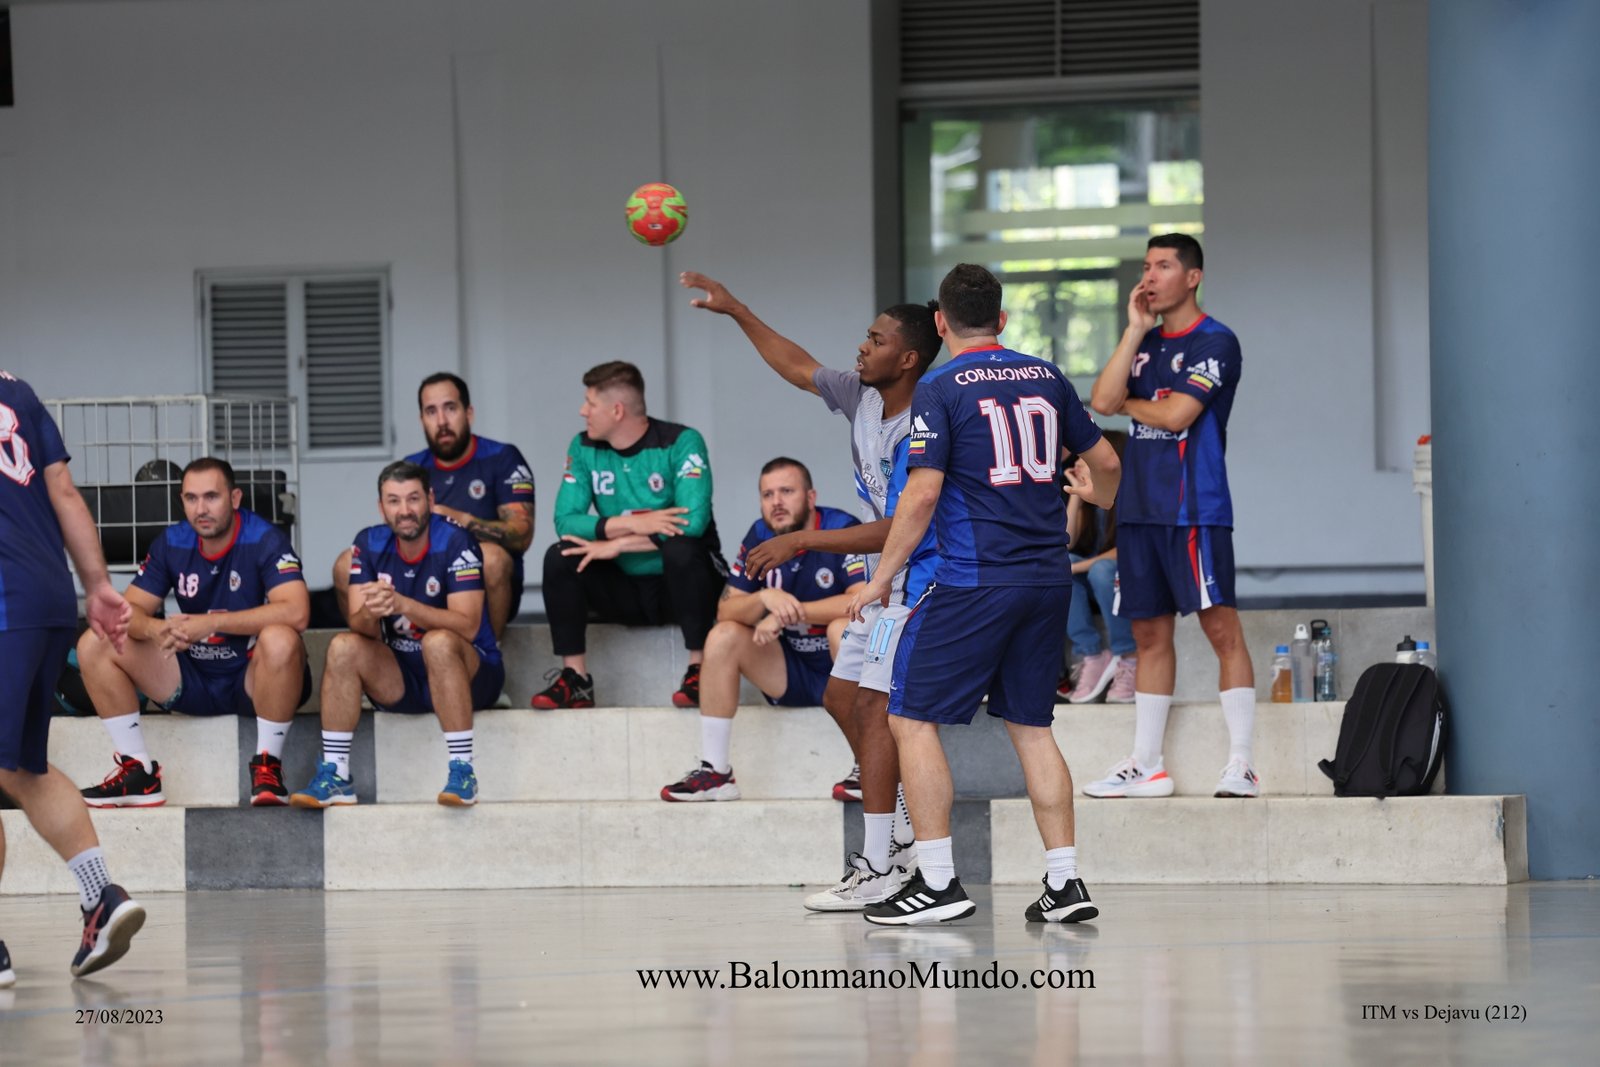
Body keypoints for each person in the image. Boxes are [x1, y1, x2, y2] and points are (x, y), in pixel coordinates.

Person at [846, 263, 1121, 926]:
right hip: (1047, 579)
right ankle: (1065, 882)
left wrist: (881, 577)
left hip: (973, 578)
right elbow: (1108, 462)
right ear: (1001, 319)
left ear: (940, 322)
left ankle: (938, 881)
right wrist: (1100, 498)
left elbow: (921, 494)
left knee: (911, 718)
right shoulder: (1047, 376)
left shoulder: (938, 388)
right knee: (1032, 727)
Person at [680, 270, 941, 911]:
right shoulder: (864, 395)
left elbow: (903, 523)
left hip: (918, 581)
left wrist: (801, 541)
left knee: (874, 712)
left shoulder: (929, 419)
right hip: (884, 582)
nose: (862, 347)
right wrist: (738, 308)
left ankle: (884, 862)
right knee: (841, 697)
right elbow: (798, 368)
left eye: (876, 339)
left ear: (908, 358)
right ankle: (896, 833)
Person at [1081, 234, 1257, 799]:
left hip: (1195, 509)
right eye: (1146, 266)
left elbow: (1178, 414)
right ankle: (1146, 763)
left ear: (1193, 276)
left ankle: (1242, 764)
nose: (1149, 277)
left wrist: (1129, 405)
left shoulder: (1216, 341)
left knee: (1221, 629)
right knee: (1149, 633)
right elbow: (1100, 399)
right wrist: (1134, 330)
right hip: (1139, 511)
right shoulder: (1145, 342)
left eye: (1162, 266)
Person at [0, 370, 144, 979]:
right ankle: (99, 896)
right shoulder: (15, 389)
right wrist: (98, 586)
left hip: (4, 604)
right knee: (22, 768)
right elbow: (63, 491)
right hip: (46, 597)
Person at [77, 457, 312, 807]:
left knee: (282, 638)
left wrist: (212, 622)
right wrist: (154, 628)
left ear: (234, 498)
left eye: (211, 497)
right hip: (192, 677)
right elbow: (128, 612)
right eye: (191, 498)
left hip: (253, 681)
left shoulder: (264, 538)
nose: (201, 509)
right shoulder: (172, 541)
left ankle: (267, 766)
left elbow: (297, 611)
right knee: (96, 642)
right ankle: (137, 772)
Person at [290, 461, 504, 808]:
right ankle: (337, 775)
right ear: (381, 507)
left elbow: (467, 625)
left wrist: (404, 605)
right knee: (343, 646)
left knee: (438, 641)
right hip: (403, 677)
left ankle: (463, 771)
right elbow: (362, 629)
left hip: (472, 676)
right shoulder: (369, 543)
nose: (404, 510)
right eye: (393, 501)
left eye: (413, 499)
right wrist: (371, 610)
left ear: (430, 500)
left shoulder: (455, 540)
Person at [660, 458, 865, 801]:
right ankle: (716, 773)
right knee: (723, 634)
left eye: (787, 491)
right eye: (768, 494)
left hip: (841, 670)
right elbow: (726, 609)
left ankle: (868, 764)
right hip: (792, 669)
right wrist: (764, 599)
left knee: (842, 628)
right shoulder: (760, 535)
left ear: (811, 497)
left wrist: (786, 615)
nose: (777, 502)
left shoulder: (840, 528)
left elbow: (862, 600)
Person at [533, 361, 727, 709]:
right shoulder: (583, 447)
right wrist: (634, 525)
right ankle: (576, 680)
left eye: (590, 403)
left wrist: (617, 545)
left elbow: (692, 522)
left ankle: (700, 670)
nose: (582, 411)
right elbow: (565, 520)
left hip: (682, 586)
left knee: (682, 549)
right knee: (561, 555)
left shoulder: (681, 442)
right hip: (624, 589)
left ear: (617, 410)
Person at [332, 373, 533, 641]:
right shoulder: (413, 466)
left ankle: (489, 651)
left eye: (450, 408)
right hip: (420, 577)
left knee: (493, 560)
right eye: (431, 411)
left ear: (469, 413)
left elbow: (522, 535)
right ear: (421, 419)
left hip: (478, 586)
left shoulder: (502, 457)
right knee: (345, 564)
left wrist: (459, 519)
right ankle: (374, 652)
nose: (441, 421)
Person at [1061, 429, 1137, 704]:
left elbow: (1125, 552)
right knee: (1063, 565)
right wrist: (1075, 495)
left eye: (1085, 459)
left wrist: (1078, 568)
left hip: (1126, 583)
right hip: (1097, 584)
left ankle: (1129, 656)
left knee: (1100, 570)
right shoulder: (1090, 502)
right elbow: (1066, 542)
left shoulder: (1131, 497)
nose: (1078, 463)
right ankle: (1091, 654)